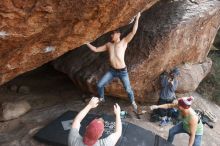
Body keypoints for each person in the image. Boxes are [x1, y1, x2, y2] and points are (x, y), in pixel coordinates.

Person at [86, 12, 141, 114]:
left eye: (113, 33)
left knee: (128, 90)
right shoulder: (108, 45)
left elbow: (133, 32)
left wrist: (137, 18)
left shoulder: (124, 42)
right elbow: (96, 49)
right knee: (99, 85)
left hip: (123, 71)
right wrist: (86, 43)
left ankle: (133, 102)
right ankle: (102, 98)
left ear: (118, 34)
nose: (111, 35)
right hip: (112, 71)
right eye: (111, 34)